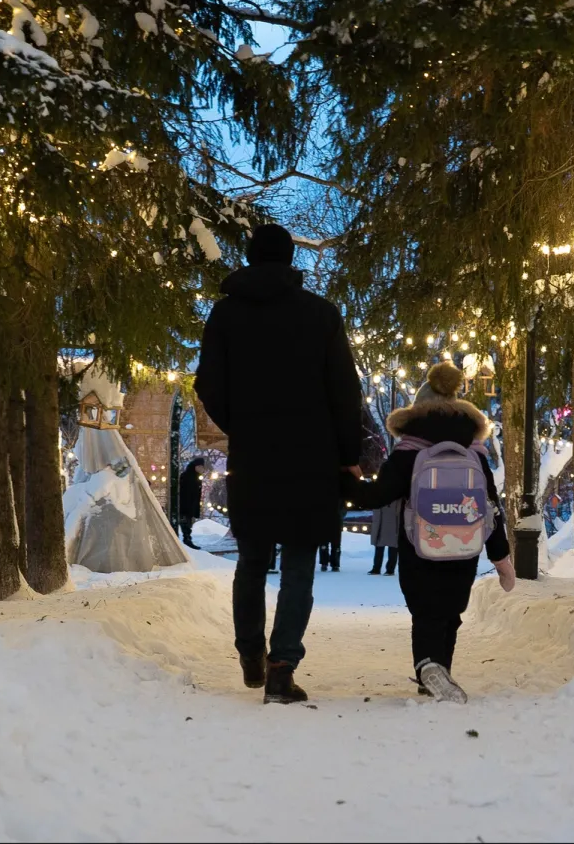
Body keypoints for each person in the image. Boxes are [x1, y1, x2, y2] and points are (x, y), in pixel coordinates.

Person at [196, 224, 364, 704]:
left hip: (253, 455)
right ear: (291, 260)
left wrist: (241, 424)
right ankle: (281, 668)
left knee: (251, 560)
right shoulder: (321, 315)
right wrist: (348, 455)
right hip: (311, 457)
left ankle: (249, 652)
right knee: (299, 563)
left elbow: (208, 384)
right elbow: (344, 391)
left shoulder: (225, 316)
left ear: (249, 258)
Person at [359, 361, 516, 703]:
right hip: (465, 542)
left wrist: (344, 481)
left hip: (420, 543)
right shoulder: (474, 450)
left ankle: (428, 666)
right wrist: (500, 555)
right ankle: (440, 667)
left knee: (425, 610)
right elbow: (490, 504)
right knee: (451, 611)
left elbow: (378, 495)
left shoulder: (409, 449)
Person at [175, 457, 204, 549]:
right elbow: (186, 492)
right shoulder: (188, 476)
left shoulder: (194, 476)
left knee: (187, 523)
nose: (202, 469)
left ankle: (187, 539)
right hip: (186, 505)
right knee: (185, 523)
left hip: (189, 504)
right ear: (196, 466)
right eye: (201, 467)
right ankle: (187, 540)